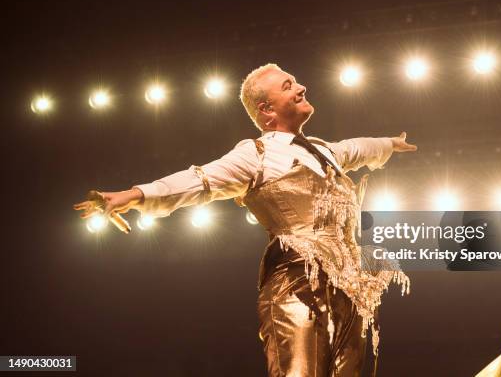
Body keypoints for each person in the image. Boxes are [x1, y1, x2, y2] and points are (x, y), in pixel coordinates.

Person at [74, 64, 417, 376]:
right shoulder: (257, 154)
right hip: (297, 287)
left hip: (348, 291)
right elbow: (199, 179)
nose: (301, 88)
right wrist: (136, 194)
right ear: (266, 110)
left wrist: (390, 143)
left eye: (296, 81)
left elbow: (358, 148)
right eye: (288, 86)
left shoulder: (324, 150)